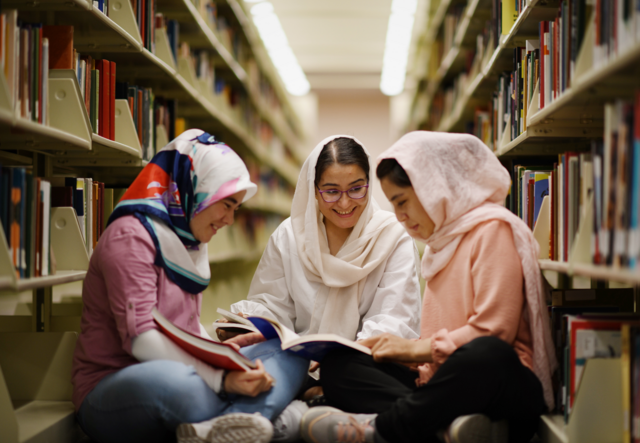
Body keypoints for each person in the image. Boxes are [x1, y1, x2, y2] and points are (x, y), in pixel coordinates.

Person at [300, 131, 557, 443]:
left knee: (488, 354)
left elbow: (494, 331)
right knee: (341, 364)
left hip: (498, 382)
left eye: (403, 201)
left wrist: (415, 348)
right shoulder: (441, 241)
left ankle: (384, 428)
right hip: (440, 378)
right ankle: (445, 427)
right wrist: (400, 354)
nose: (400, 217)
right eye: (393, 205)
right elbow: (441, 341)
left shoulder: (493, 230)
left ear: (433, 188)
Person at [71, 129, 308, 443]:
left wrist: (226, 362)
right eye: (227, 205)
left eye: (236, 209)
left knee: (291, 350)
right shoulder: (130, 236)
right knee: (180, 384)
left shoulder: (188, 238)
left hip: (185, 369)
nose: (229, 220)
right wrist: (221, 377)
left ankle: (221, 428)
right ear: (197, 189)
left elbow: (189, 328)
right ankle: (262, 418)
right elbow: (140, 341)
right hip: (115, 383)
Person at [223, 135, 423, 441]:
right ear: (313, 191)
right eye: (331, 192)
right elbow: (270, 303)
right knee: (263, 358)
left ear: (369, 184)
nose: (344, 203)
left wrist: (334, 360)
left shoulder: (393, 235)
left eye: (356, 189)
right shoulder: (289, 235)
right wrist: (247, 321)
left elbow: (394, 320)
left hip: (363, 367)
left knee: (341, 371)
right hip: (299, 364)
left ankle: (299, 408)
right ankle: (308, 405)